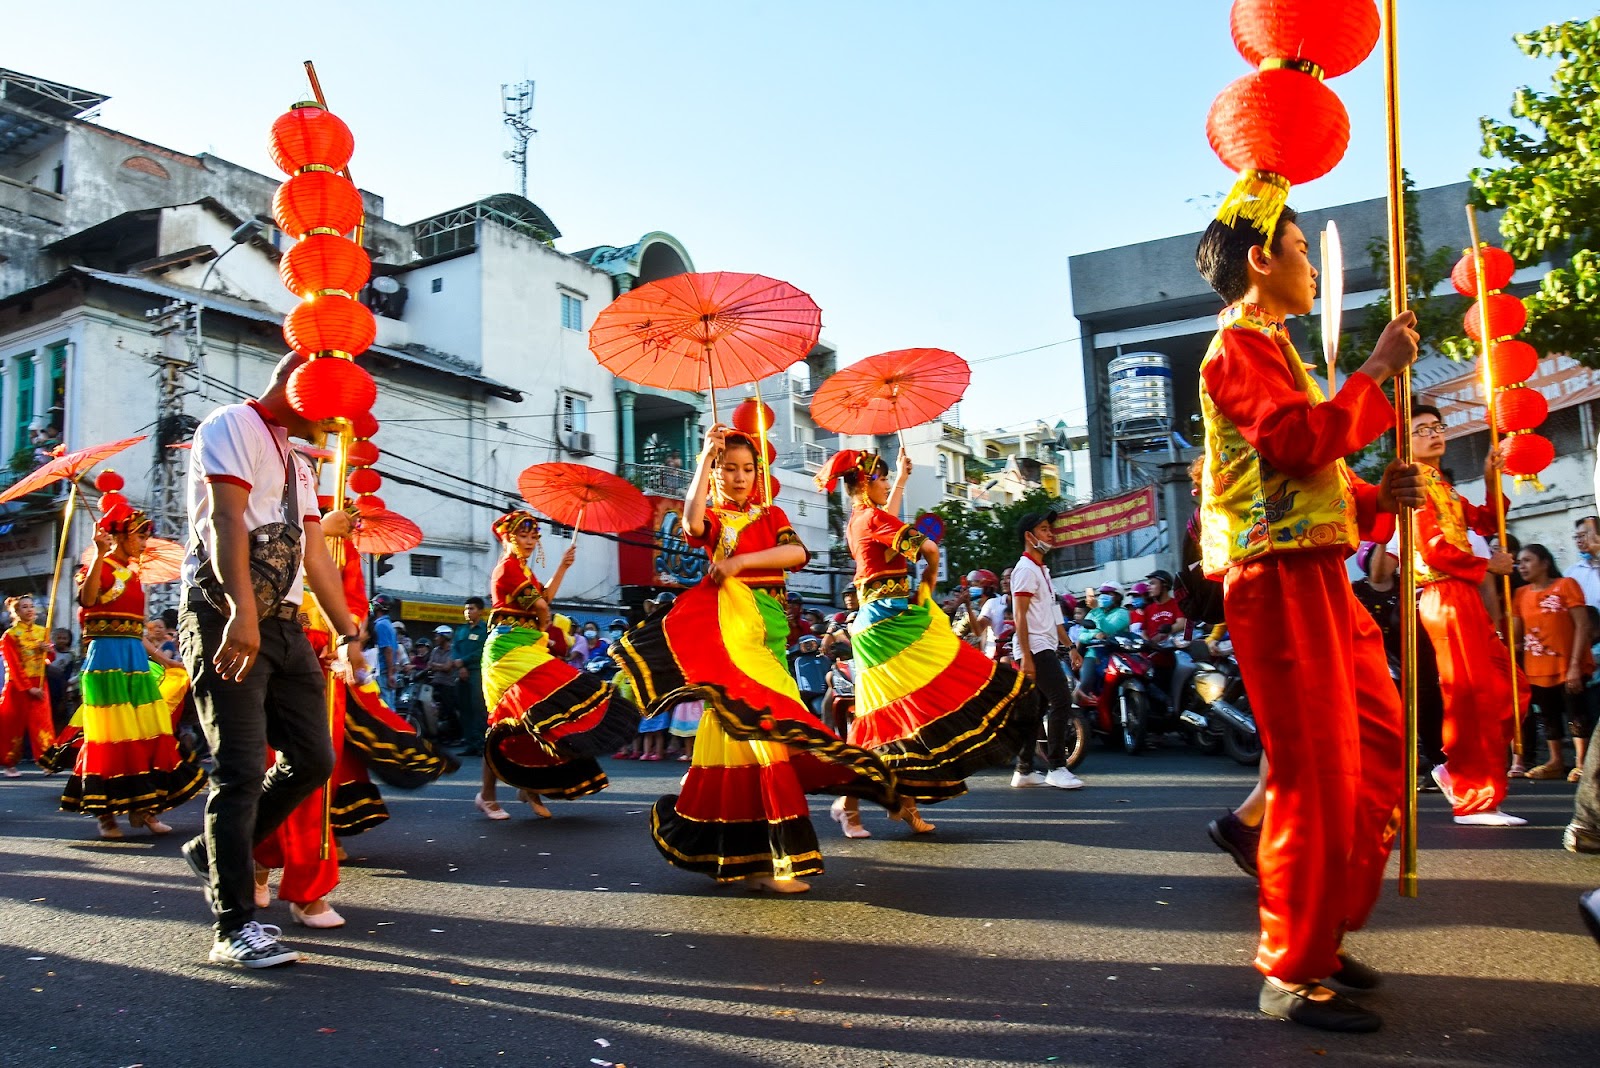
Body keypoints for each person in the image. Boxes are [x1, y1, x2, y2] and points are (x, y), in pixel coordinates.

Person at [1195, 205, 1422, 1031]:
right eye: (1300, 250)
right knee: (1315, 771)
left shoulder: (1278, 346)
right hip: (1277, 582)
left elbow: (1312, 476)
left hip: (1320, 572)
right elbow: (1295, 442)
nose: (1313, 268)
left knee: (1381, 742)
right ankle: (1290, 968)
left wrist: (1377, 496)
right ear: (1261, 260)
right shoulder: (1238, 349)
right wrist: (1374, 371)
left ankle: (1320, 935)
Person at [611, 425, 896, 892]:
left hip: (768, 633)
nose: (739, 477)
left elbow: (797, 553)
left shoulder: (771, 514)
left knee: (738, 744)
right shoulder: (716, 519)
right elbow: (690, 523)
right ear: (716, 474)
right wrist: (703, 456)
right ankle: (776, 862)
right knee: (770, 735)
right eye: (728, 468)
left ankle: (731, 853)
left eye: (747, 468)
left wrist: (740, 563)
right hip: (732, 634)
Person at [174, 353, 364, 970]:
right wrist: (241, 616)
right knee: (238, 768)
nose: (335, 424)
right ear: (295, 383)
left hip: (283, 627)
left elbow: (313, 552)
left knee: (314, 758)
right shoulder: (229, 424)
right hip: (223, 614)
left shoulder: (298, 461)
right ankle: (233, 927)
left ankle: (215, 848)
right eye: (330, 406)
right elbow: (227, 520)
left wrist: (346, 629)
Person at [819, 447, 1032, 836]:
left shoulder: (859, 517)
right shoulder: (871, 517)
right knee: (887, 717)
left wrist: (901, 477)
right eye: (881, 478)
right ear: (866, 481)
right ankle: (849, 804)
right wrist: (927, 587)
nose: (886, 484)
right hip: (888, 624)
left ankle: (902, 802)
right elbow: (928, 549)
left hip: (886, 621)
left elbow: (889, 519)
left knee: (910, 715)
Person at [1401, 407, 1525, 825]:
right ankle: (1474, 797)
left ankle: (1458, 772)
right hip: (1443, 594)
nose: (1434, 435)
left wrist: (1492, 478)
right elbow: (1433, 549)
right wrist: (1487, 565)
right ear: (1406, 440)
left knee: (1510, 687)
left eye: (1437, 428)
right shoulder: (1415, 485)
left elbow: (1487, 520)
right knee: (1470, 697)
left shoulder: (1444, 485)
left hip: (1464, 594)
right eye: (1422, 430)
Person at [476, 511, 639, 820]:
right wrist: (544, 622)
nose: (528, 542)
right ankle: (486, 796)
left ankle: (529, 788)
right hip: (508, 654)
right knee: (503, 723)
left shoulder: (524, 571)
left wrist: (563, 567)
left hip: (529, 648)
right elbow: (540, 606)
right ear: (510, 538)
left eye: (533, 537)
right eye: (523, 536)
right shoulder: (507, 569)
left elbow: (544, 598)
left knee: (538, 719)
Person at [59, 506, 205, 838]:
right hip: (105, 663)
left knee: (148, 730)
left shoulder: (135, 575)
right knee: (110, 735)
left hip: (135, 663)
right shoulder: (98, 568)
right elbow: (88, 598)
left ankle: (146, 807)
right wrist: (98, 555)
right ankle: (106, 817)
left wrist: (167, 662)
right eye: (139, 535)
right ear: (121, 535)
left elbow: (135, 631)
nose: (143, 541)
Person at [1009, 510, 1084, 791]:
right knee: (1061, 700)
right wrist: (1026, 656)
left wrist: (1070, 646)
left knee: (1037, 708)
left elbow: (1054, 616)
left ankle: (1024, 770)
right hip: (1035, 647)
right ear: (1029, 537)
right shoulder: (1025, 569)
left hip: (1045, 645)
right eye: (1043, 529)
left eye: (1050, 528)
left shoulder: (1041, 570)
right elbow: (1020, 616)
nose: (1050, 533)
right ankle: (1056, 767)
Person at [1512, 543, 1592, 782]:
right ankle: (1555, 761)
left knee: (1575, 712)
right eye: (1519, 562)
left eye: (1527, 560)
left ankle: (1582, 762)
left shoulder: (1565, 585)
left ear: (1545, 562)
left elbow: (1583, 625)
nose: (1521, 566)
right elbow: (1516, 635)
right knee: (1548, 715)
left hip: (1568, 664)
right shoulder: (1519, 594)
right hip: (1537, 666)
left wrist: (1576, 665)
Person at [0, 594, 55, 776]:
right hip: (18, 685)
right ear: (15, 612)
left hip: (40, 681)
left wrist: (48, 651)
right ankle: (9, 763)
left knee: (43, 723)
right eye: (24, 607)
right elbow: (13, 664)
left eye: (31, 606)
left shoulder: (43, 631)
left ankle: (48, 761)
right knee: (13, 724)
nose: (30, 609)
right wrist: (28, 688)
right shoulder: (10, 636)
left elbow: (50, 658)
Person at [1071, 584, 1130, 706]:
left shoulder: (1122, 613)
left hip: (1116, 654)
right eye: (1102, 593)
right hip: (1093, 654)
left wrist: (1097, 611)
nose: (1104, 596)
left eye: (1109, 594)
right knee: (1086, 682)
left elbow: (1109, 629)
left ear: (1118, 597)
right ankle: (1076, 716)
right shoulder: (1093, 613)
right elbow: (1082, 634)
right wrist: (1093, 635)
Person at [452, 598, 489, 756]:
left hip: (477, 672)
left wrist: (464, 661)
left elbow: (483, 650)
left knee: (478, 708)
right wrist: (459, 665)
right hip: (461, 673)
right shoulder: (461, 630)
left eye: (472, 609)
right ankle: (470, 743)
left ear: (480, 611)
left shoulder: (485, 629)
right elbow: (455, 649)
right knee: (464, 708)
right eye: (466, 609)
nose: (468, 612)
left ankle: (481, 743)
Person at [369, 596, 400, 709]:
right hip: (386, 671)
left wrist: (390, 674)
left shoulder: (381, 625)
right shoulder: (388, 624)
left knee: (385, 707)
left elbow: (388, 650)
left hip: (383, 672)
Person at [792, 635, 828, 716]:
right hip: (806, 693)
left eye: (811, 643)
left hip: (827, 691)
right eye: (805, 644)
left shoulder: (824, 658)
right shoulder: (798, 660)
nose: (808, 646)